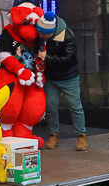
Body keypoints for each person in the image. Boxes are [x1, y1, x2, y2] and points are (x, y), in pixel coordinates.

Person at [37, 14, 89, 152]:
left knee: (75, 106)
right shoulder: (41, 37)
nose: (40, 35)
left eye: (43, 34)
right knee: (50, 107)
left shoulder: (67, 36)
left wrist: (46, 57)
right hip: (51, 78)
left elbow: (69, 58)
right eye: (39, 33)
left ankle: (81, 136)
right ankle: (53, 135)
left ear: (51, 32)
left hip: (68, 77)